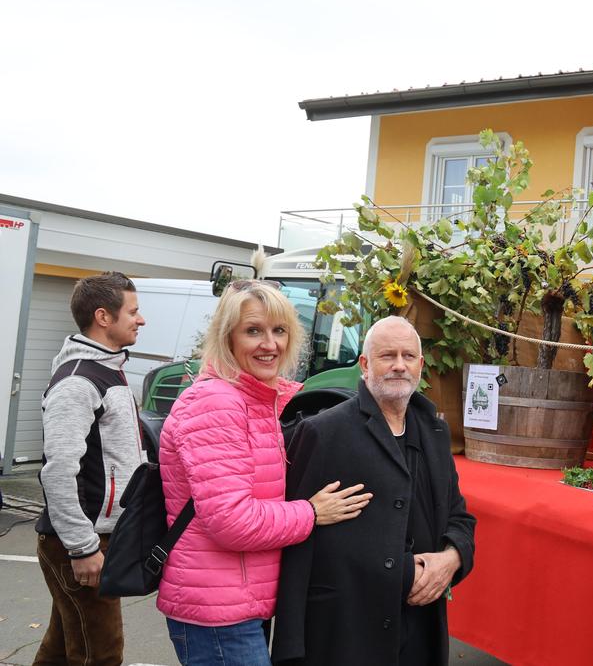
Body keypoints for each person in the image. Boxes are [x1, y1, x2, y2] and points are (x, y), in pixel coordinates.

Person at [156, 280, 371, 666]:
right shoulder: (216, 403)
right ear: (228, 337)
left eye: (279, 331)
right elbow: (231, 521)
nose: (269, 344)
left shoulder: (256, 398)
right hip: (217, 611)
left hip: (237, 601)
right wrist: (312, 512)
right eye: (253, 331)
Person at [273, 316, 476, 666]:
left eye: (408, 356)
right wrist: (289, 643)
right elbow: (296, 544)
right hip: (346, 630)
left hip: (418, 627)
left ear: (421, 365)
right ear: (365, 364)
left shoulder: (434, 432)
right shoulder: (324, 432)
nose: (399, 366)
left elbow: (459, 515)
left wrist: (452, 558)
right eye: (387, 356)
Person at [34, 272, 145, 666]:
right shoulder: (78, 381)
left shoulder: (108, 370)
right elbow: (58, 471)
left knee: (63, 647)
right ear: (103, 316)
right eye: (133, 311)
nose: (141, 319)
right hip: (80, 543)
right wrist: (82, 548)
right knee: (99, 654)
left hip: (94, 538)